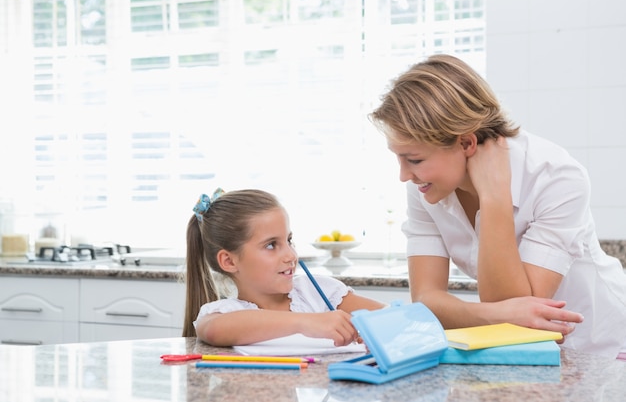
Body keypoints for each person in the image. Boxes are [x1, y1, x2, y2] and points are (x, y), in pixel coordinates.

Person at [369, 54, 626, 359]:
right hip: (516, 351)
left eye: (414, 159)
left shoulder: (555, 177)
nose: (404, 175)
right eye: (399, 157)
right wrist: (494, 314)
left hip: (600, 347)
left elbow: (515, 308)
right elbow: (426, 300)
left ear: (466, 144)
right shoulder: (428, 186)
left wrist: (493, 196)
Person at [182, 188, 386, 347]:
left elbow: (390, 317)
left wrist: (376, 335)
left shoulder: (316, 292)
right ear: (229, 261)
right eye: (271, 245)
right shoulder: (225, 313)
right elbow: (213, 330)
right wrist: (306, 323)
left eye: (289, 240)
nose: (291, 255)